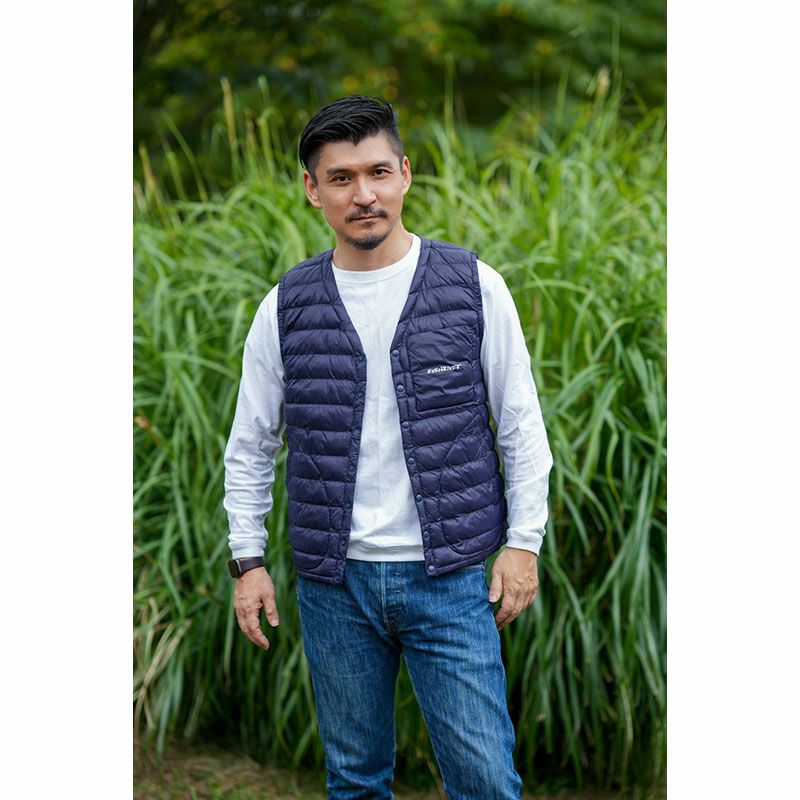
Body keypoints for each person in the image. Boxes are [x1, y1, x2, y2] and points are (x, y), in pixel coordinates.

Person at [223, 94, 554, 800]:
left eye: (377, 171)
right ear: (312, 189)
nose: (363, 194)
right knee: (354, 782)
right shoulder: (285, 306)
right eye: (340, 178)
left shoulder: (473, 286)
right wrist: (246, 561)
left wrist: (523, 543)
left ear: (405, 173)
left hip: (452, 580)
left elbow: (521, 424)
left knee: (485, 781)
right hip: (334, 585)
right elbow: (250, 444)